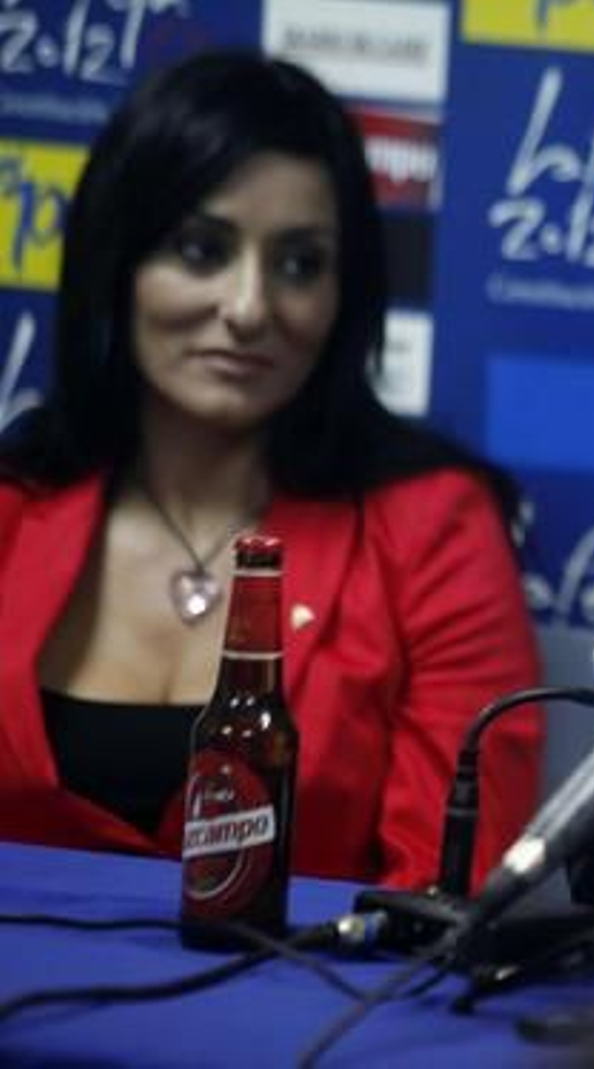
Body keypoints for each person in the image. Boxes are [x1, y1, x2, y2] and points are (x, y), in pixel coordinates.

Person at [0, 51, 544, 890]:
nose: (250, 308)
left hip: (316, 1020)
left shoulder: (435, 527)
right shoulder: (12, 504)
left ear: (345, 294)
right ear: (119, 264)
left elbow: (448, 900)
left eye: (299, 264)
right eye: (200, 248)